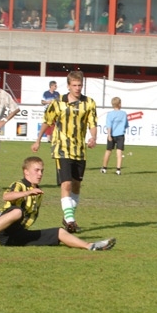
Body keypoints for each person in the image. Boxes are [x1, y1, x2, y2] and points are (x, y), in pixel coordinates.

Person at [0, 156, 115, 251]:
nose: (40, 174)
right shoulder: (20, 185)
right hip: (3, 230)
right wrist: (27, 193)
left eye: (42, 171)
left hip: (16, 236)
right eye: (37, 170)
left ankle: (90, 246)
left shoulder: (38, 192)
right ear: (26, 171)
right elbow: (6, 196)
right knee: (17, 212)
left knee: (59, 232)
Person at [32, 70, 97, 234]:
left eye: (80, 85)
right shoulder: (58, 103)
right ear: (68, 86)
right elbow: (47, 121)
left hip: (79, 149)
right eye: (74, 85)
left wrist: (93, 137)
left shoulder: (89, 103)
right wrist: (38, 139)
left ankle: (68, 216)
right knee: (66, 183)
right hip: (61, 148)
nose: (77, 88)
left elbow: (92, 123)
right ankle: (70, 220)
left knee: (76, 185)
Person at [101, 96, 128, 175]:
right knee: (119, 151)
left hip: (112, 135)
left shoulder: (110, 114)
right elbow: (126, 125)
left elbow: (109, 126)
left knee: (108, 151)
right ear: (119, 104)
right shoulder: (123, 114)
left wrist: (109, 135)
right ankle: (118, 169)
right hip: (120, 135)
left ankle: (104, 168)